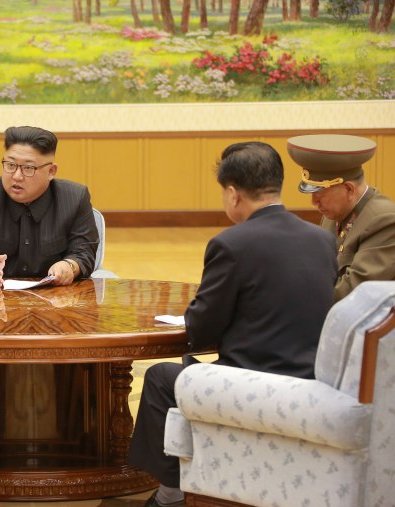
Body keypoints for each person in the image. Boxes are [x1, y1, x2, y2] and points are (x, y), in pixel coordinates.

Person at [128, 142, 338, 507]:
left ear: (232, 193)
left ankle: (170, 493)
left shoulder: (231, 243)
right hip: (312, 381)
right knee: (183, 372)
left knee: (162, 378)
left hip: (256, 386)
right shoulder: (322, 239)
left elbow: (202, 331)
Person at [0, 125, 98, 287]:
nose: (17, 176)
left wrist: (69, 266)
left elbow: (84, 252)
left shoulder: (75, 198)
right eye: (10, 165)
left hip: (56, 299)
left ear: (51, 171)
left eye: (28, 168)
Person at [289, 134, 395, 301]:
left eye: (319, 194)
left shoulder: (384, 219)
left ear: (349, 189)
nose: (313, 202)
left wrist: (296, 298)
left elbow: (356, 292)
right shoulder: (334, 212)